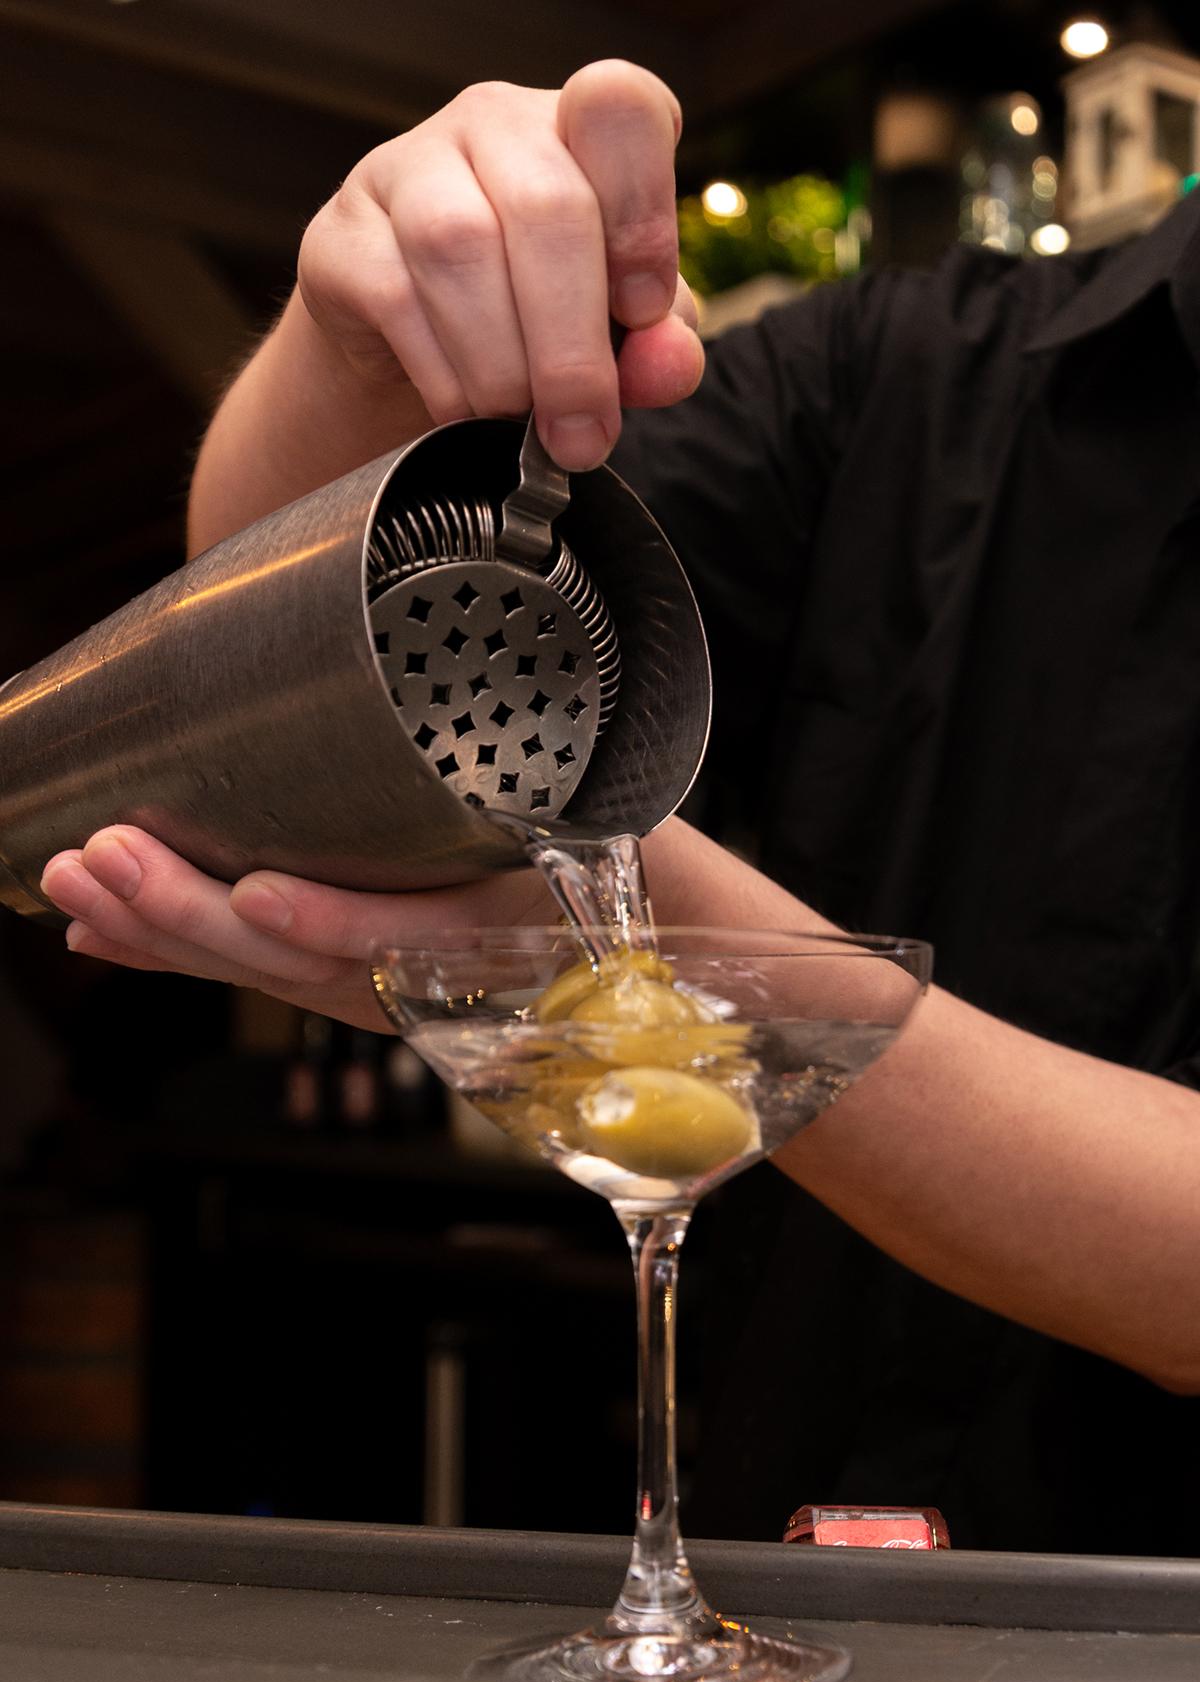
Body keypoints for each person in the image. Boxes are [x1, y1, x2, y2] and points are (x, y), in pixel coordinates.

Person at [37, 62, 1200, 1551]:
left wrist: (651, 956)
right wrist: (356, 350)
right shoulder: (918, 376)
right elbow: (287, 632)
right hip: (780, 1636)